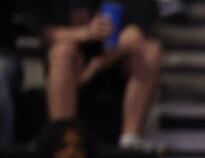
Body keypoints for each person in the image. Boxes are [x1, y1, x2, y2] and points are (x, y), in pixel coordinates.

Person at [42, 0, 162, 149]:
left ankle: (130, 137)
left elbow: (135, 34)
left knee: (150, 52)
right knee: (62, 52)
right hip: (72, 64)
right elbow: (46, 32)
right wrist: (87, 33)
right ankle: (61, 137)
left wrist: (96, 65)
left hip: (114, 65)